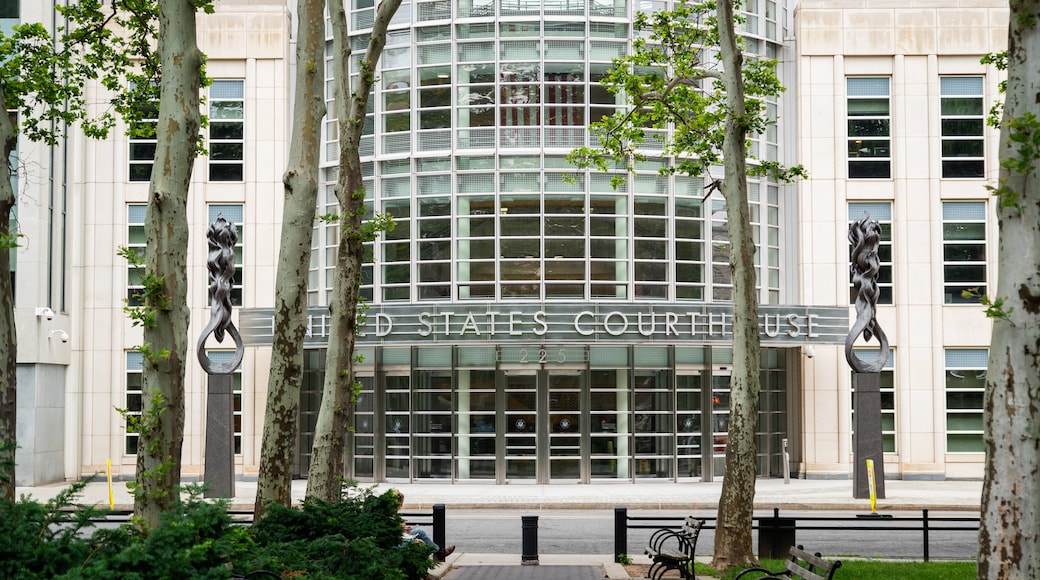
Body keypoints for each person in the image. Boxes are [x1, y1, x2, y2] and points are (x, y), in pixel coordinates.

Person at [395, 490, 455, 562]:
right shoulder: (389, 513)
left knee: (420, 532)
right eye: (400, 503)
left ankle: (439, 552)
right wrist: (401, 529)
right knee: (420, 543)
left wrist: (404, 529)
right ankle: (438, 553)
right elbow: (392, 531)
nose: (401, 506)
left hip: (400, 536)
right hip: (396, 540)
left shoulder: (394, 513)